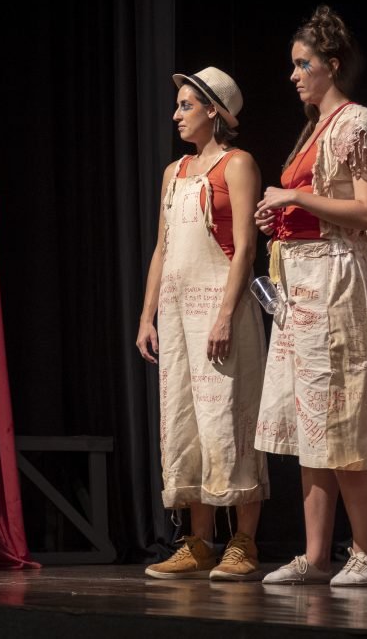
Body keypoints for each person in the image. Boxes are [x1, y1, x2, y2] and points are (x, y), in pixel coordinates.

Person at [254, 6, 367, 586]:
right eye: (292, 65)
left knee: (344, 416)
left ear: (331, 65)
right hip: (302, 286)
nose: (293, 75)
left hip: (339, 283)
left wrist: (296, 199)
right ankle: (315, 556)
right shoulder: (314, 131)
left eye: (302, 64)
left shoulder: (360, 124)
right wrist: (279, 218)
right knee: (312, 422)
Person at [137, 67, 269, 581]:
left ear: (214, 110)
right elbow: (163, 249)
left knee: (229, 422)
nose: (176, 113)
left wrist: (224, 314)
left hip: (221, 306)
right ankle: (197, 542)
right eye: (178, 105)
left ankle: (244, 543)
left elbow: (246, 249)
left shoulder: (238, 165)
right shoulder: (174, 173)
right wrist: (147, 315)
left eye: (187, 105)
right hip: (176, 313)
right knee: (186, 422)